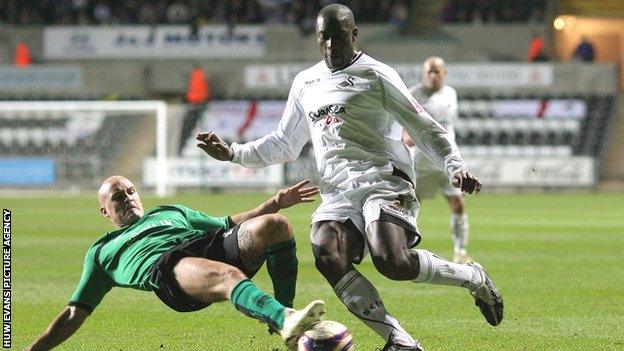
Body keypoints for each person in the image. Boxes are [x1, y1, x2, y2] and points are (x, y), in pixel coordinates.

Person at [196, 4, 503, 350]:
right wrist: (234, 152)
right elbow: (284, 142)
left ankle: (472, 276)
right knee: (326, 251)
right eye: (324, 37)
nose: (330, 45)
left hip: (384, 180)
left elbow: (424, 126)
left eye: (338, 36)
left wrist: (454, 164)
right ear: (316, 38)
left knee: (391, 261)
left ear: (354, 34)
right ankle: (399, 340)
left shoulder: (377, 75)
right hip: (338, 192)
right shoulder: (305, 83)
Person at [26, 176, 325, 351]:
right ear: (105, 211)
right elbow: (74, 312)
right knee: (226, 275)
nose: (129, 198)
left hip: (208, 244)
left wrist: (275, 202)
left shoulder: (171, 211)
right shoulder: (102, 252)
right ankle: (285, 319)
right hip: (168, 270)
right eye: (118, 197)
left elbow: (226, 223)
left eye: (131, 192)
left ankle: (284, 316)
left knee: (275, 225)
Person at [401, 56, 471, 263]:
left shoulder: (450, 94)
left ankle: (460, 250)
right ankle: (402, 247)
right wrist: (408, 137)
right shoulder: (412, 94)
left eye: (436, 71)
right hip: (421, 162)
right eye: (429, 71)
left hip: (447, 162)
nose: (432, 75)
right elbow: (404, 129)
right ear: (423, 74)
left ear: (444, 73)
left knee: (458, 203)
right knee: (411, 206)